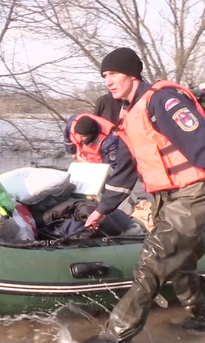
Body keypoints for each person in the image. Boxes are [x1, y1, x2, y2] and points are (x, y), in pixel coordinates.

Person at [82, 47, 205, 343]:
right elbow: (125, 169)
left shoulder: (162, 100)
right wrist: (101, 210)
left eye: (113, 74)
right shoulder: (128, 114)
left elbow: (200, 144)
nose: (108, 81)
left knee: (154, 259)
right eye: (105, 76)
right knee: (180, 261)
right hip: (167, 197)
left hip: (194, 192)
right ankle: (202, 316)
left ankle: (115, 335)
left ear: (132, 74)